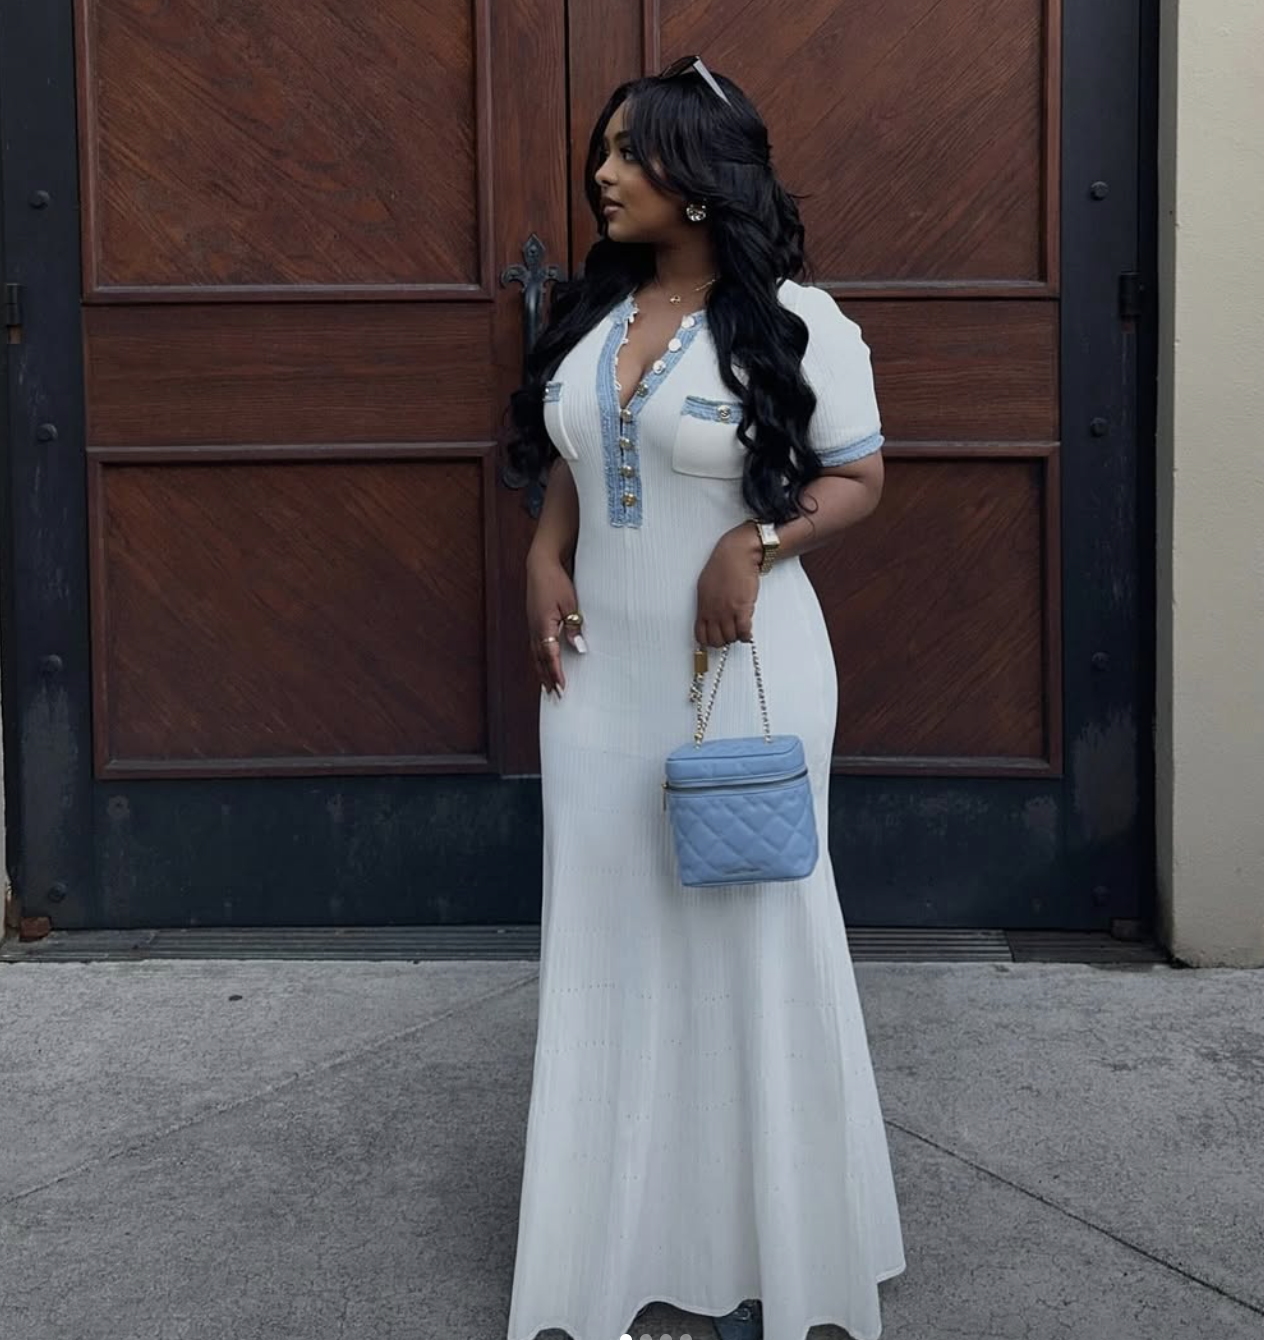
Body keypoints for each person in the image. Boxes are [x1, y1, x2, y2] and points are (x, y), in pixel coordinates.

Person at [504, 57, 906, 1340]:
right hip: (596, 678)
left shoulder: (796, 319)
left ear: (700, 173)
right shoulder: (598, 309)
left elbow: (858, 475)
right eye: (604, 150)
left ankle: (775, 1237)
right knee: (610, 934)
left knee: (749, 933)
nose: (603, 173)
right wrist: (544, 555)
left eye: (631, 152)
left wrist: (758, 540)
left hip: (743, 668)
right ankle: (617, 1237)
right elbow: (579, 455)